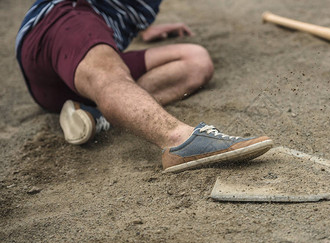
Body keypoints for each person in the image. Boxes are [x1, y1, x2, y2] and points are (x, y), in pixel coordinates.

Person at [15, 0, 273, 173]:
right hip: (62, 23)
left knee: (195, 62)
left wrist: (143, 27)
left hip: (72, 79)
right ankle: (179, 141)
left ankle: (94, 114)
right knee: (110, 78)